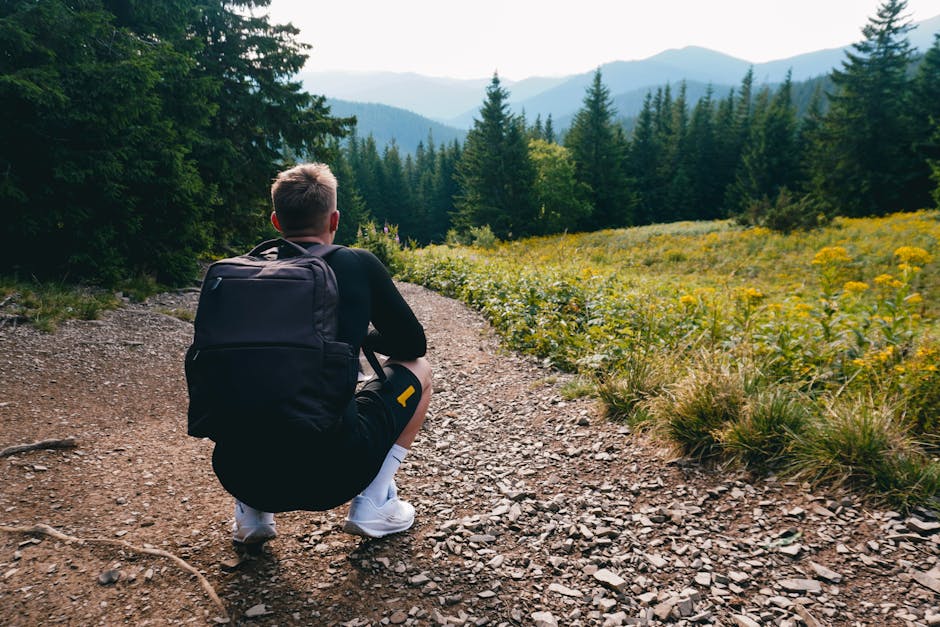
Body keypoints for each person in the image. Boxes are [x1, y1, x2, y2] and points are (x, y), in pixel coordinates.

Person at [210, 162, 432, 544]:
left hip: (239, 472)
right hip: (334, 475)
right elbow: (412, 345)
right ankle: (375, 503)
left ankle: (251, 513)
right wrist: (357, 335)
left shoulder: (235, 275)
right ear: (335, 219)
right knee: (419, 369)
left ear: (276, 222)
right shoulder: (355, 264)